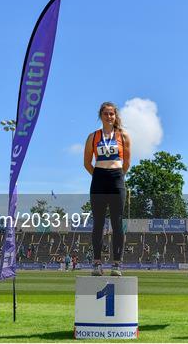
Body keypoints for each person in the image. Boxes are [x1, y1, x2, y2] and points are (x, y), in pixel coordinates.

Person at [84, 102, 131, 276]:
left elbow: (126, 163)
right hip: (98, 179)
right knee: (98, 223)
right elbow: (87, 163)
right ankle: (97, 263)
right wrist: (98, 175)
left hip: (117, 179)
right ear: (101, 115)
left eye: (112, 114)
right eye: (105, 113)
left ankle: (116, 264)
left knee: (117, 223)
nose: (109, 116)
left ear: (115, 116)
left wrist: (117, 175)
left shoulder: (123, 136)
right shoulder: (93, 136)